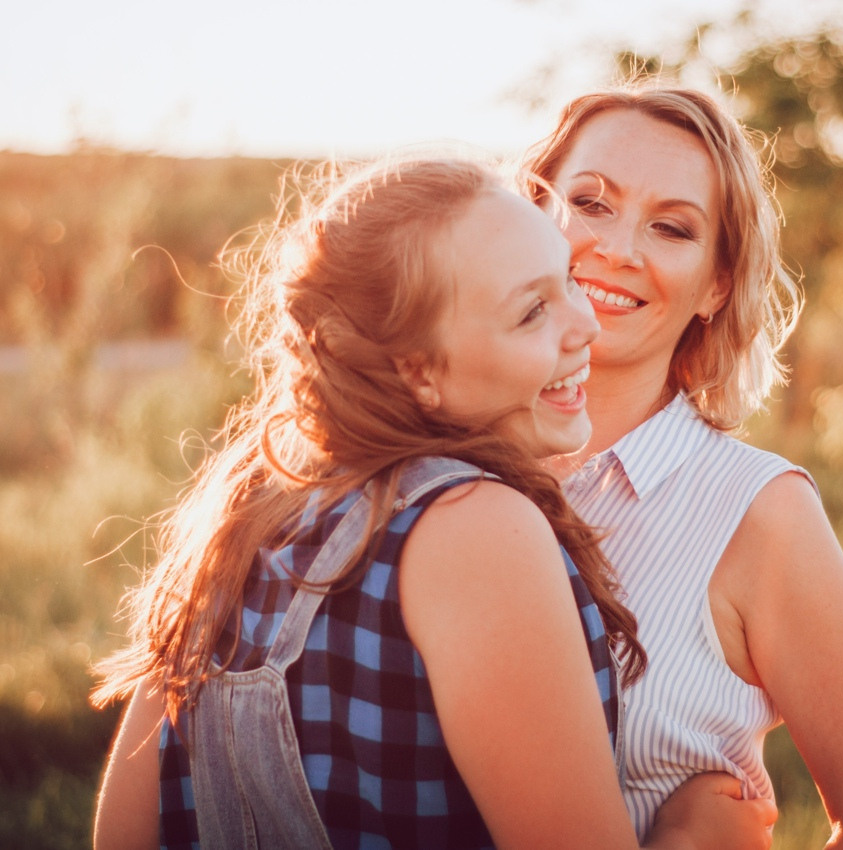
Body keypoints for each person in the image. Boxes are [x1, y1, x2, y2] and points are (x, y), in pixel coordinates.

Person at [90, 157, 776, 849]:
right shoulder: (475, 526)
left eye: (568, 278)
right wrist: (696, 837)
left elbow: (119, 835)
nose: (586, 326)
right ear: (417, 371)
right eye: (532, 311)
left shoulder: (246, 509)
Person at [522, 86, 843, 849]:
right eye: (591, 203)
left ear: (716, 284)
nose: (619, 249)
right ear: (529, 216)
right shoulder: (428, 468)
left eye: (672, 227)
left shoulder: (760, 513)